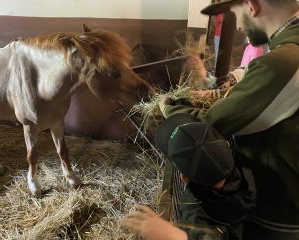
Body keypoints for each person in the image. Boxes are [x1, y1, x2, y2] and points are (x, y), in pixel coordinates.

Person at [124, 0, 299, 239]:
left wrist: (169, 108)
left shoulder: (284, 63)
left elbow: (208, 124)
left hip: (279, 214)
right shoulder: (285, 51)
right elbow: (253, 88)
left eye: (235, 15)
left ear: (252, 5)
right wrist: (220, 92)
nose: (238, 27)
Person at [122, 113, 256, 240]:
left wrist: (177, 236)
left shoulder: (193, 214)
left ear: (184, 178)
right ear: (225, 144)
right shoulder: (249, 167)